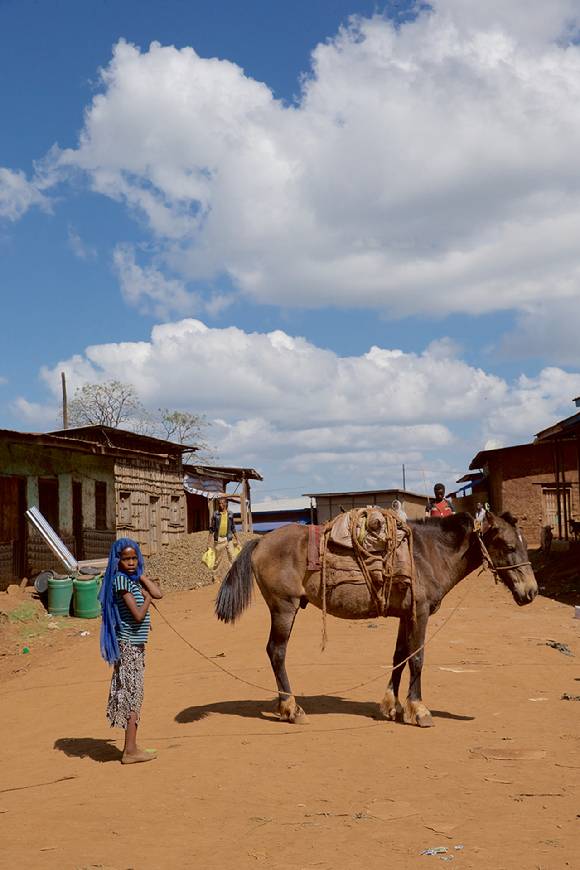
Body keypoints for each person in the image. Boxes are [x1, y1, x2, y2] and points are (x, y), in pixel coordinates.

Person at [98, 537, 163, 765]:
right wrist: (145, 599)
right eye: (127, 559)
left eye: (135, 558)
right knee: (132, 694)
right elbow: (137, 615)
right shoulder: (121, 582)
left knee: (134, 694)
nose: (132, 562)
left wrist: (142, 576)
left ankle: (131, 747)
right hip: (129, 647)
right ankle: (130, 750)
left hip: (136, 646)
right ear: (118, 561)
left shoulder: (132, 579)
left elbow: (159, 593)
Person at [207, 496, 241, 582]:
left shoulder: (230, 514)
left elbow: (233, 528)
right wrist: (208, 542)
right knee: (218, 560)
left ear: (226, 504)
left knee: (233, 558)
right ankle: (215, 577)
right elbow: (211, 529)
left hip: (228, 539)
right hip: (219, 540)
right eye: (219, 503)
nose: (220, 505)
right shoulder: (215, 514)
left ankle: (232, 576)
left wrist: (237, 539)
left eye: (222, 503)